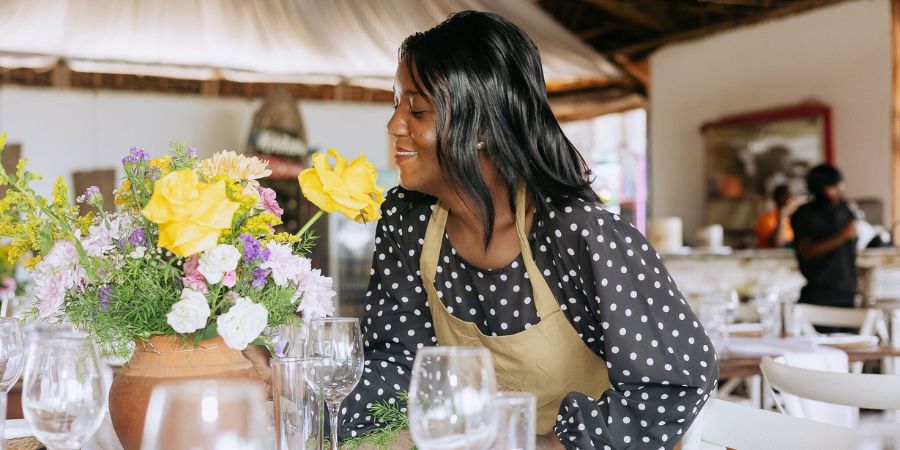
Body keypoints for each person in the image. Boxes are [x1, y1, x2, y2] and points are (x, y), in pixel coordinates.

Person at [338, 11, 717, 449]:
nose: (394, 126)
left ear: (480, 128)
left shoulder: (580, 235)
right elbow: (398, 363)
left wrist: (544, 445)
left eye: (418, 110)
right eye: (397, 105)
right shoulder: (410, 223)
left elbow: (673, 385)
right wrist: (293, 392)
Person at [790, 164, 858, 307]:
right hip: (819, 294)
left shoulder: (845, 209)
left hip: (847, 294)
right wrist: (842, 236)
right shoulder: (804, 214)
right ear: (819, 187)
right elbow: (808, 252)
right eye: (833, 187)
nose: (839, 190)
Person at [756, 184, 800, 249]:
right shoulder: (768, 218)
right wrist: (783, 215)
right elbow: (778, 243)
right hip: (771, 257)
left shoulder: (792, 219)